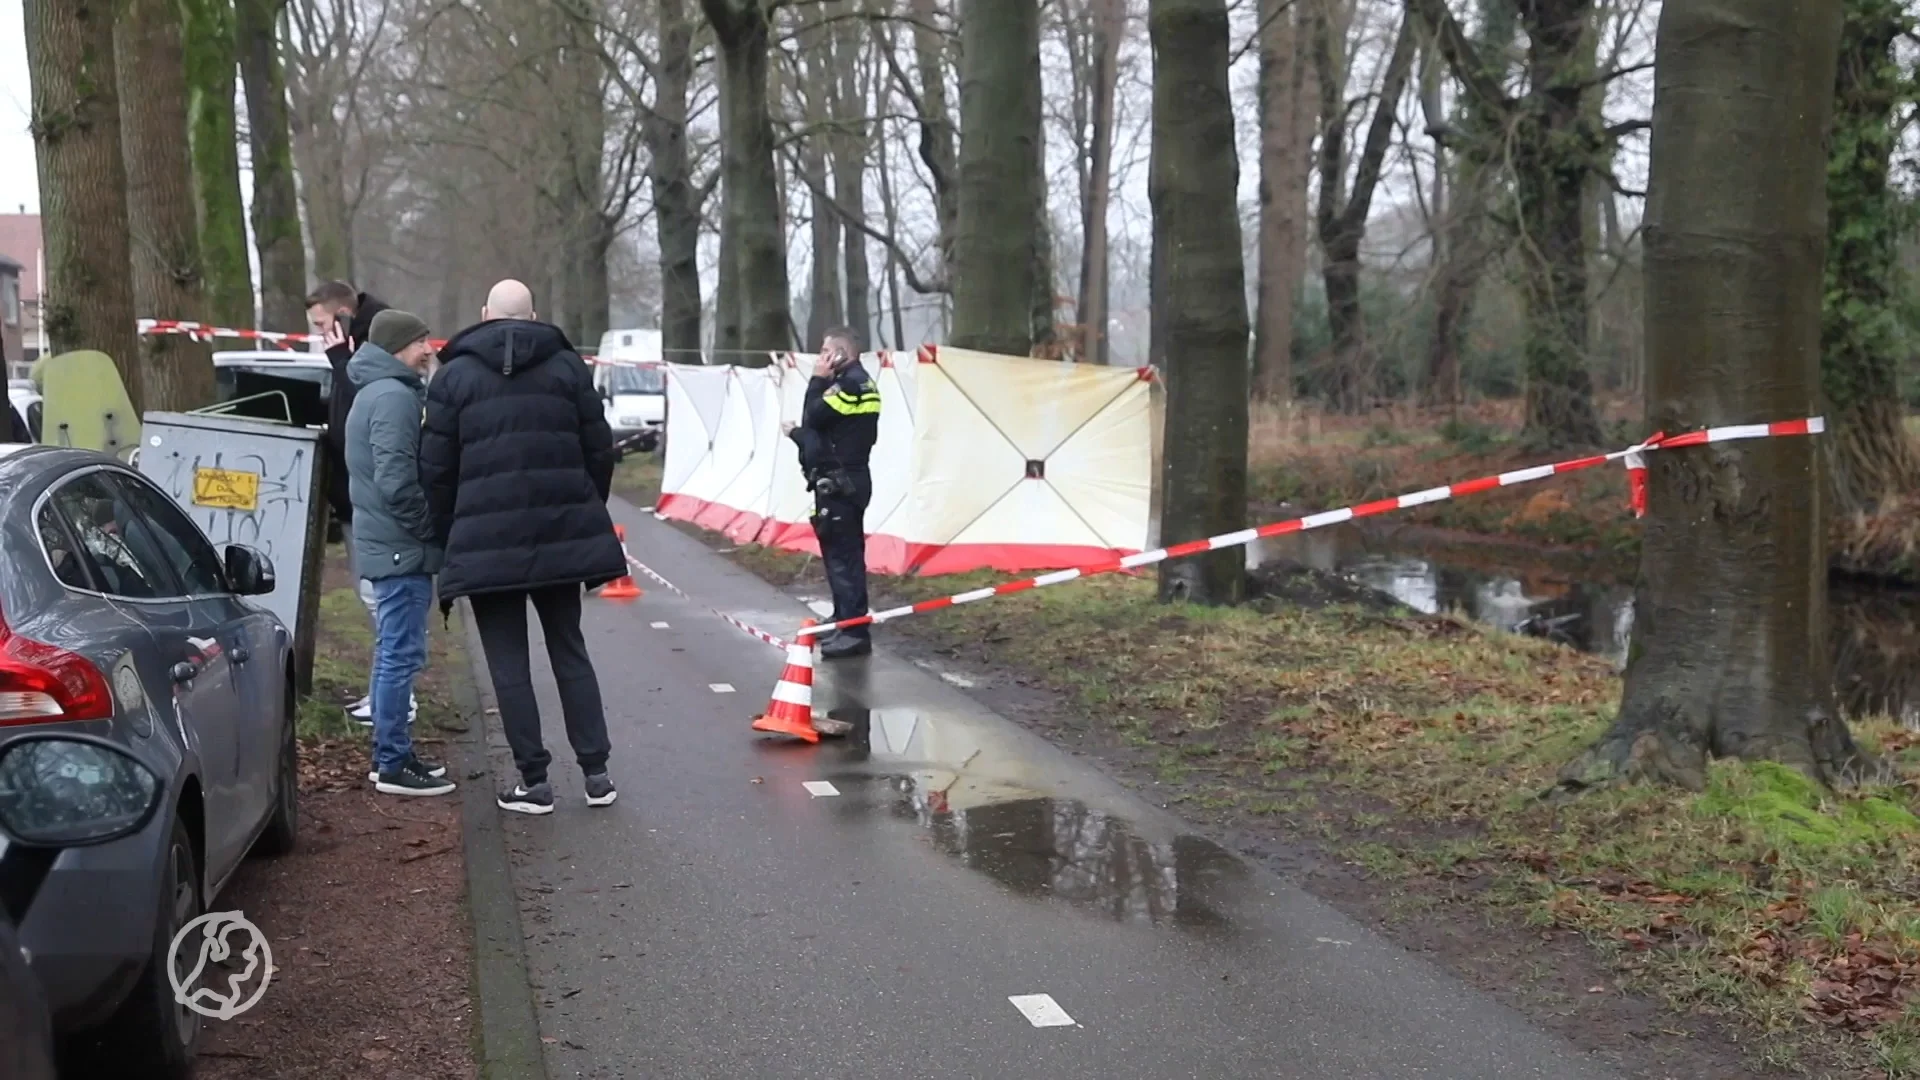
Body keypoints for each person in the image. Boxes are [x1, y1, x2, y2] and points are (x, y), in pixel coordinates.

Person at [421, 279, 625, 816]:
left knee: (507, 663)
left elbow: (435, 469)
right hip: (561, 535)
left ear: (484, 313)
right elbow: (599, 450)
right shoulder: (567, 368)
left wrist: (452, 533)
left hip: (485, 541)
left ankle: (534, 782)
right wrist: (584, 507)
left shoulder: (453, 375)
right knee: (569, 650)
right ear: (534, 315)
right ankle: (596, 774)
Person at [344, 309, 454, 797]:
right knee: (399, 655)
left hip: (390, 545)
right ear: (396, 348)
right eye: (420, 342)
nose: (428, 349)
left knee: (394, 650)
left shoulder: (381, 392)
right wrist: (427, 528)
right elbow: (395, 480)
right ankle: (392, 762)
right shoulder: (393, 398)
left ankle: (396, 754)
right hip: (399, 548)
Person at [306, 280, 412, 727]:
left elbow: (361, 411)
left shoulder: (364, 351)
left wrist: (340, 359)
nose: (316, 334)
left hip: (367, 497)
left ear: (344, 314)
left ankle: (396, 700)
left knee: (378, 598)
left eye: (320, 323)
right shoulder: (356, 346)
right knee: (373, 597)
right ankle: (387, 693)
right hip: (357, 495)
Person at [786, 327, 879, 661]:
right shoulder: (859, 382)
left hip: (842, 483)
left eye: (825, 351)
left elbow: (814, 417)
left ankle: (853, 631)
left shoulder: (848, 385)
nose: (820, 357)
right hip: (845, 480)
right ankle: (844, 618)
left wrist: (817, 380)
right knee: (840, 557)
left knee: (844, 560)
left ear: (841, 353)